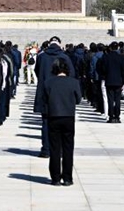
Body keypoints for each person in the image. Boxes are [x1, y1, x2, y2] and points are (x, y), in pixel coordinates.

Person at [34, 37, 75, 158]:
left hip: (45, 92)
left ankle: (46, 149)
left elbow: (37, 71)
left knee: (46, 122)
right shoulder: (65, 57)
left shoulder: (42, 56)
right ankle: (60, 150)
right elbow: (71, 74)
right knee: (61, 124)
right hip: (61, 94)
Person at [44, 58, 80, 186]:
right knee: (68, 148)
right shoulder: (74, 82)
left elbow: (45, 99)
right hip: (68, 116)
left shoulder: (48, 82)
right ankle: (67, 177)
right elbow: (79, 99)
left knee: (54, 148)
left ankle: (55, 178)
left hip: (54, 116)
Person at [97, 42, 124, 124]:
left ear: (110, 48)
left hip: (109, 80)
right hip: (118, 81)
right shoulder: (121, 58)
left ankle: (111, 116)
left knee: (110, 99)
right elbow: (123, 71)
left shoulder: (106, 57)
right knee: (117, 100)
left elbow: (103, 69)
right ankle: (117, 116)